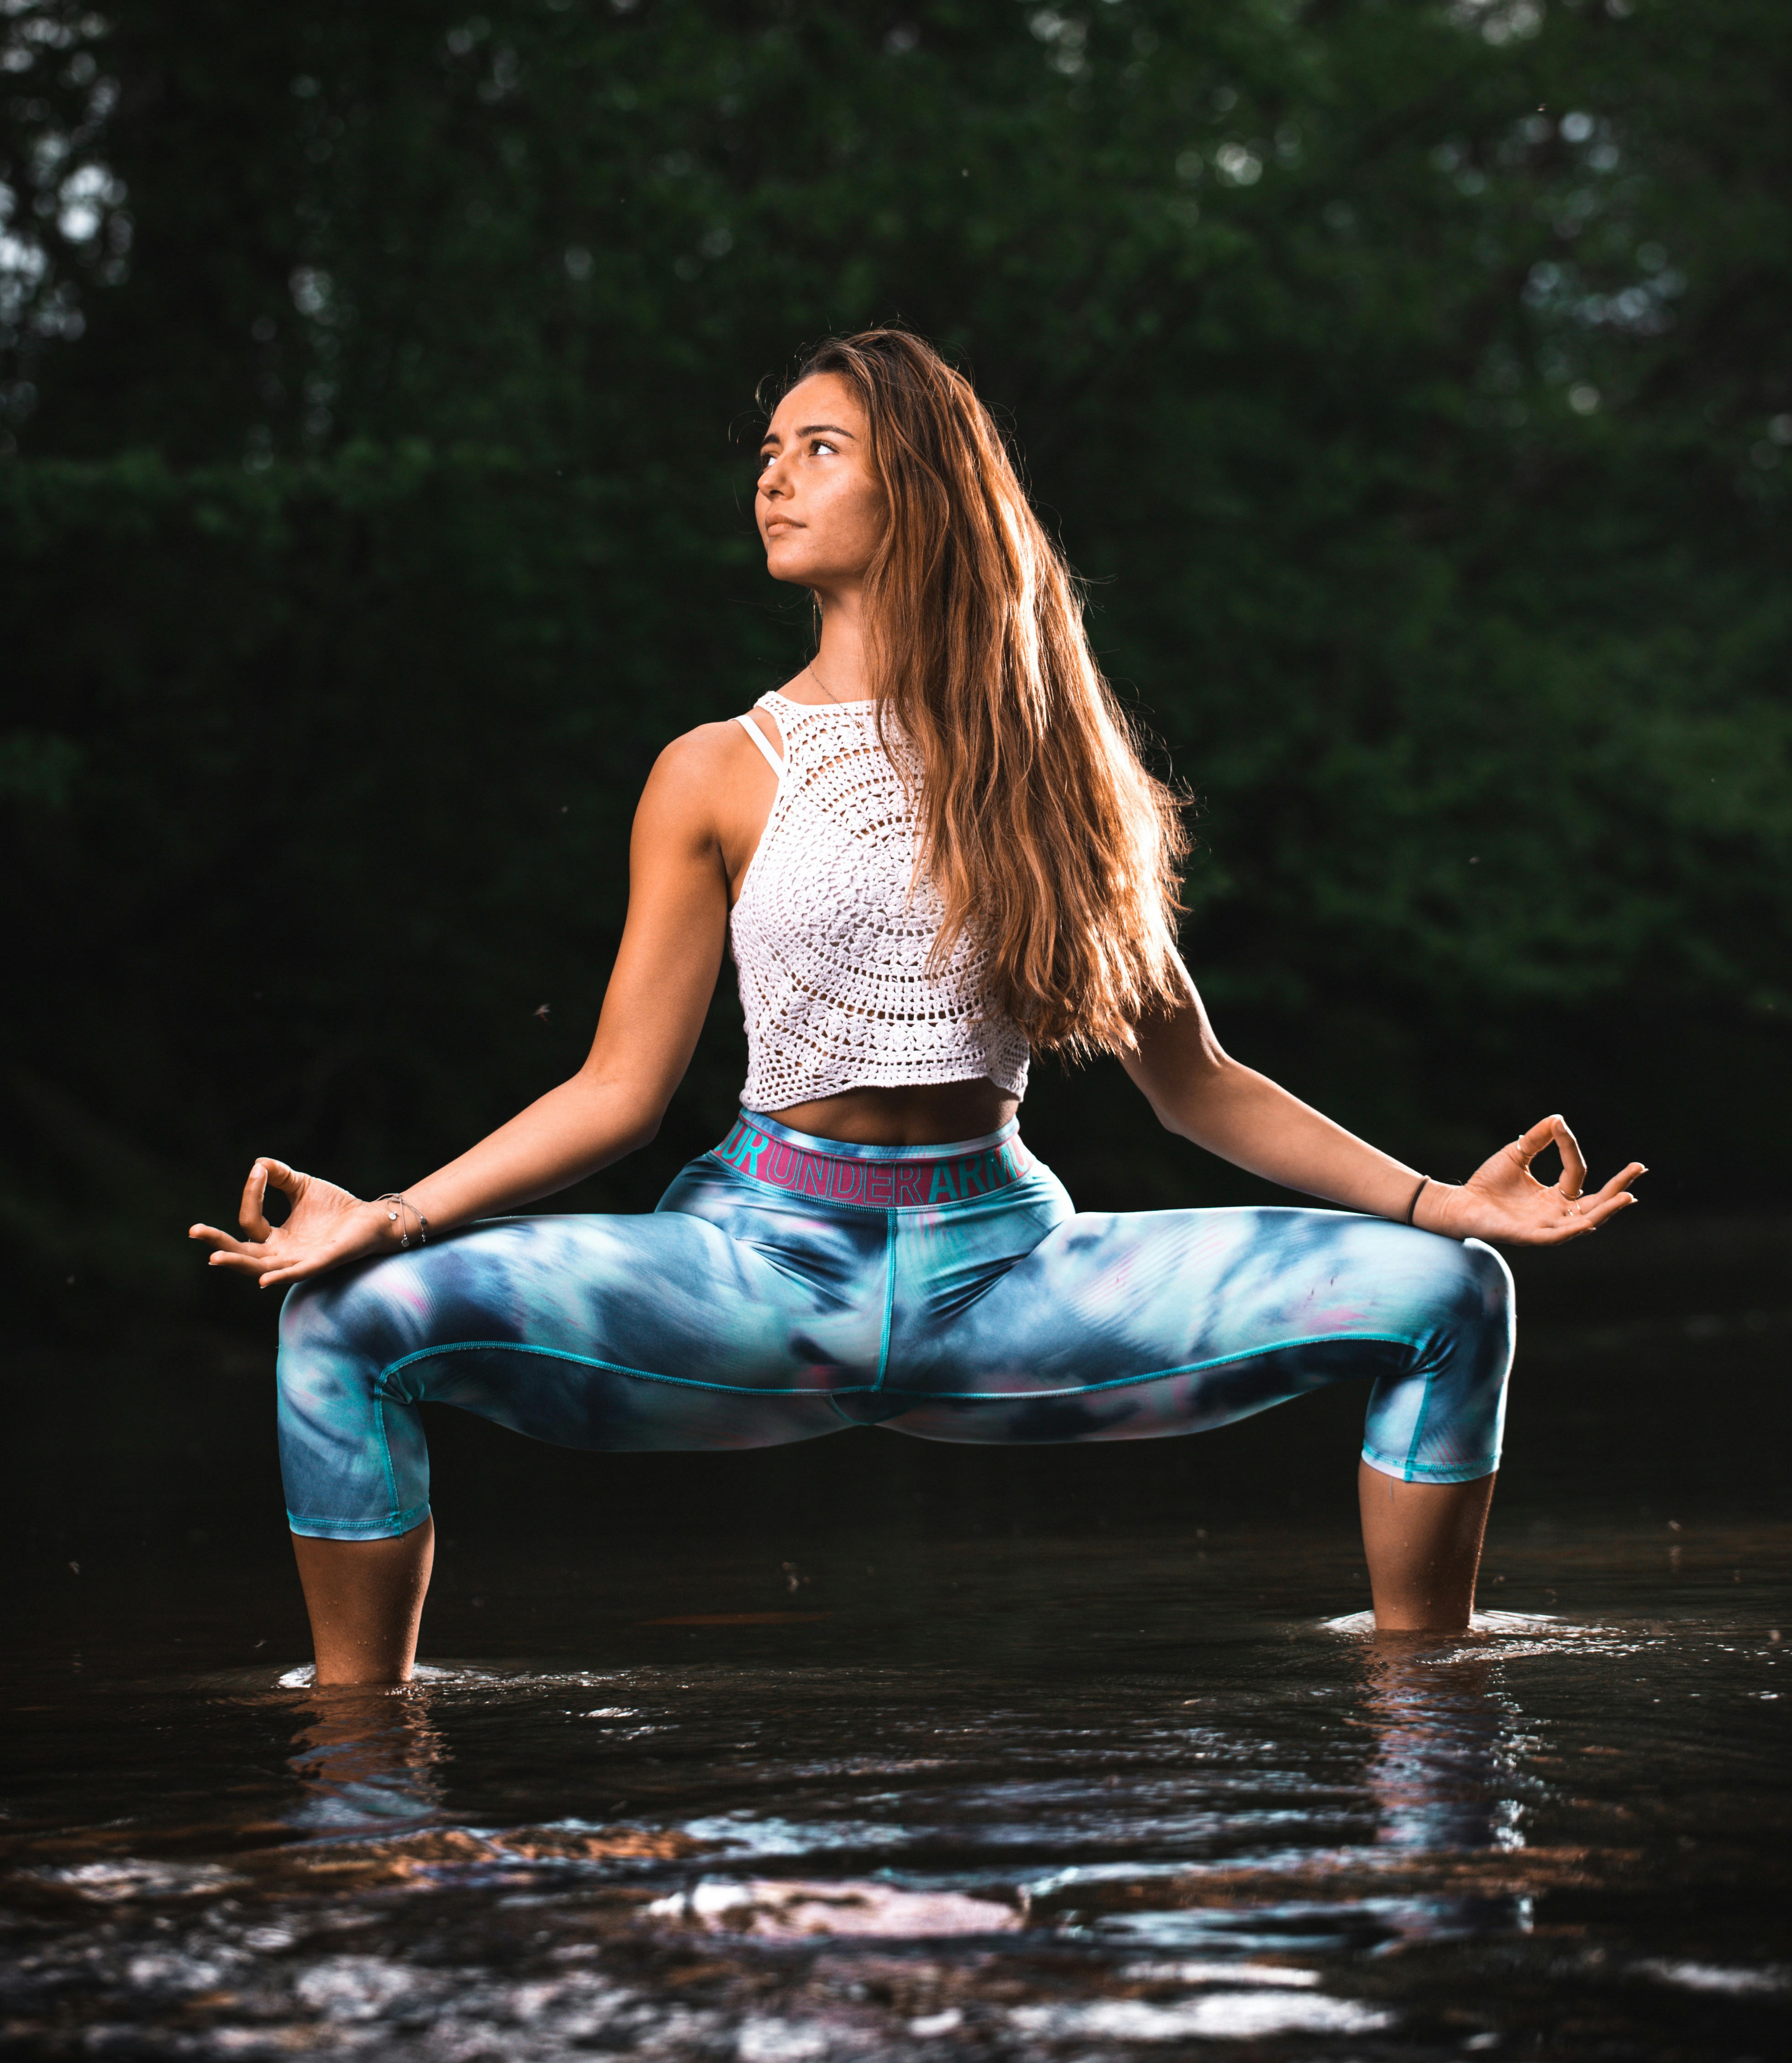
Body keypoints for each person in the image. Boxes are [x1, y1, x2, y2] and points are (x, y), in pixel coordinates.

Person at [191, 329, 1643, 1685]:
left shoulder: (1057, 763)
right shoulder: (711, 769)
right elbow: (617, 1092)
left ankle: (1429, 1717)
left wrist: (1444, 1202)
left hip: (1007, 1280)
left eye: (818, 446)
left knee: (1456, 1298)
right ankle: (358, 1763)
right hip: (757, 1273)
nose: (772, 472)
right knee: (341, 1318)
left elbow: (1194, 1079)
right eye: (766, 448)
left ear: (927, 487)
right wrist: (389, 1213)